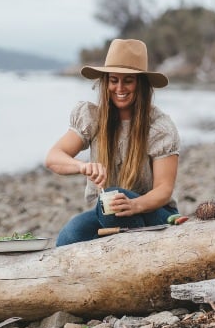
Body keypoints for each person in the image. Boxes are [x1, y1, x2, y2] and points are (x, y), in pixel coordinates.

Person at [46, 38, 180, 246]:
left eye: (128, 80)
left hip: (155, 215)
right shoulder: (92, 117)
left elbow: (164, 189)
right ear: (105, 82)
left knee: (112, 198)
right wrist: (83, 167)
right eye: (113, 80)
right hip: (111, 210)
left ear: (140, 84)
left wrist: (135, 205)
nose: (119, 88)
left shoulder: (159, 127)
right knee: (69, 237)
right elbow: (54, 157)